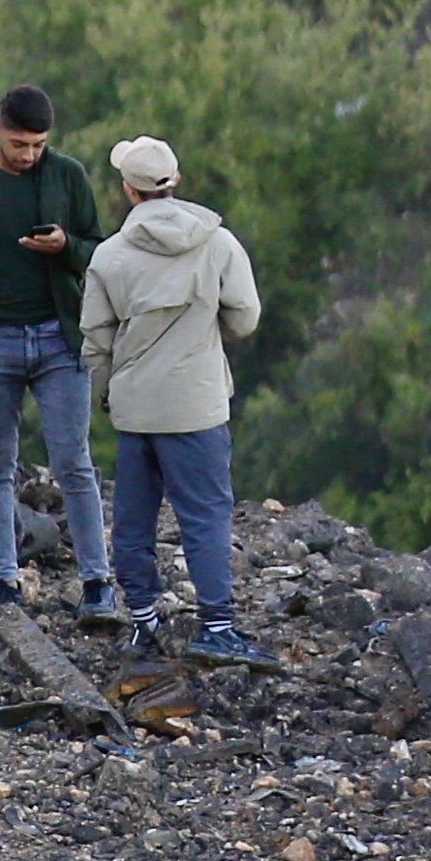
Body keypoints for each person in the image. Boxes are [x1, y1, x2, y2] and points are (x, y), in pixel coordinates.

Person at [0, 83, 116, 617]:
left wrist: (66, 248)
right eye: (18, 145)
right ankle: (4, 581)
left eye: (36, 145)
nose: (28, 155)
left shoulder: (68, 176)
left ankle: (97, 581)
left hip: (59, 338)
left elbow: (99, 251)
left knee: (73, 462)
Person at [81, 136, 264, 664]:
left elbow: (95, 339)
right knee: (206, 517)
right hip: (198, 404)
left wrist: (113, 387)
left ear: (127, 190)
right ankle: (217, 625)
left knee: (134, 521)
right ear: (174, 181)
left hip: (137, 408)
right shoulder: (219, 243)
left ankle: (142, 620)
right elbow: (245, 317)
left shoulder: (109, 256)